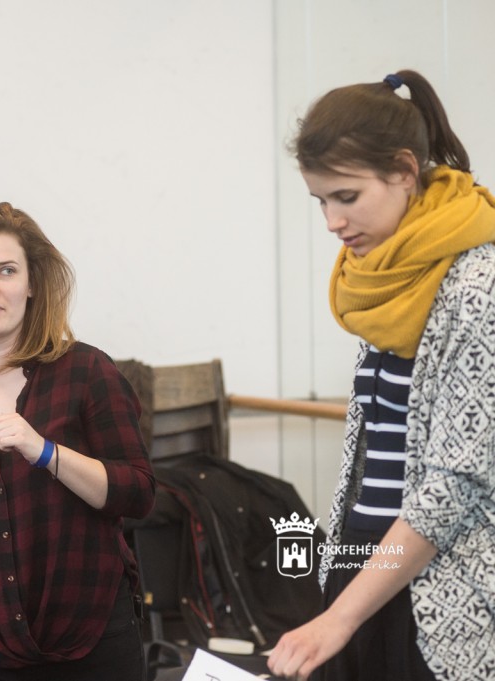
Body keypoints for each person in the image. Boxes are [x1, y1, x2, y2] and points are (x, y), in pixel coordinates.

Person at [267, 71, 495, 681]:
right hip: (364, 565)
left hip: (443, 590)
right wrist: (341, 585)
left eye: (346, 196)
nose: (332, 221)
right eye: (320, 201)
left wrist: (341, 617)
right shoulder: (386, 272)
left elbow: (455, 484)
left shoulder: (478, 287)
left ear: (404, 171)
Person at [0, 202, 156, 681]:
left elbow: (138, 493)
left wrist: (44, 451)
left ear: (32, 283)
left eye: (6, 270)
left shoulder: (87, 372)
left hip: (87, 641)